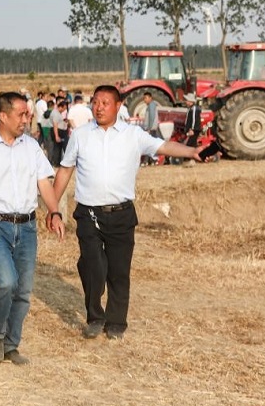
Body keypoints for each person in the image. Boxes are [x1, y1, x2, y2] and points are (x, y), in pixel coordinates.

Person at [52, 85, 201, 341]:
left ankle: (116, 322)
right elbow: (65, 170)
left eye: (105, 103)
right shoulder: (81, 135)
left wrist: (191, 151)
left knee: (119, 271)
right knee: (93, 266)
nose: (99, 107)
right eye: (95, 102)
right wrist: (53, 208)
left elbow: (163, 147)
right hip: (88, 213)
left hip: (121, 214)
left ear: (118, 105)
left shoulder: (133, 135)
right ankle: (95, 317)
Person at [0, 92, 64, 365]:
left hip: (27, 227)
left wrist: (54, 211)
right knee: (6, 282)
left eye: (27, 114)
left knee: (23, 290)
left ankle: (11, 344)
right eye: (21, 114)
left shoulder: (31, 147)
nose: (26, 119)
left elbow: (44, 183)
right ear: (3, 116)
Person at [140, 92, 160, 166]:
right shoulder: (151, 105)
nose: (144, 100)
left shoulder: (151, 105)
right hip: (151, 128)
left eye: (145, 98)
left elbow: (152, 117)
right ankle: (151, 161)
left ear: (150, 98)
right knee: (150, 145)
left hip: (151, 129)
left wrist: (149, 128)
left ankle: (150, 161)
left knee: (149, 145)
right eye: (144, 98)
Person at [50, 100, 69, 167]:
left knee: (59, 147)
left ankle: (57, 162)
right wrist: (56, 136)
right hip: (58, 131)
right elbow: (55, 125)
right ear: (61, 107)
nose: (64, 110)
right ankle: (56, 162)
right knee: (58, 147)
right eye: (64, 108)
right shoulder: (55, 113)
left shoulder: (58, 113)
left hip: (60, 131)